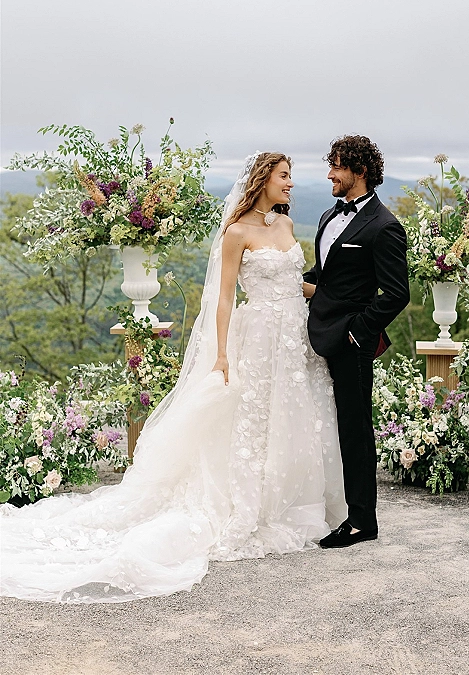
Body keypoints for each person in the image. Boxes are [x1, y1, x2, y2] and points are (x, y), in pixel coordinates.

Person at [0, 152, 346, 604]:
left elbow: (294, 282)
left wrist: (344, 293)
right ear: (263, 180)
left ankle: (292, 499)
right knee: (255, 420)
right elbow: (222, 299)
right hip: (258, 337)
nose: (291, 184)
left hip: (295, 335)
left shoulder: (285, 226)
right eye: (285, 177)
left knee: (296, 416)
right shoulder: (235, 233)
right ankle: (252, 505)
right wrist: (222, 354)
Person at [304, 136, 410, 549]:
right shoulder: (330, 215)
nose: (329, 174)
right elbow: (327, 274)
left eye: (336, 166)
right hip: (320, 331)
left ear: (359, 171)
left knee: (354, 427)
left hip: (352, 340)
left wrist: (359, 330)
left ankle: (363, 520)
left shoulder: (385, 226)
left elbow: (396, 293)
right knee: (330, 422)